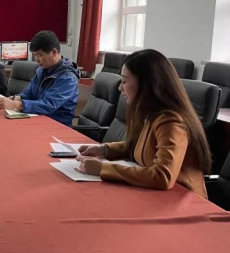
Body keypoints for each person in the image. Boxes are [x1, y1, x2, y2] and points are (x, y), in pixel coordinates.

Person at [76, 49, 211, 198]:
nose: (120, 88)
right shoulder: (150, 113)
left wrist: (103, 168)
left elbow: (163, 176)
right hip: (155, 196)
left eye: (124, 81)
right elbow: (138, 147)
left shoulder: (171, 122)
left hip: (183, 200)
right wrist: (103, 150)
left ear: (147, 84)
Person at [0, 31, 79, 125]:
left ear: (54, 52)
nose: (37, 59)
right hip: (38, 118)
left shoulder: (67, 78)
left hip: (56, 124)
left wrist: (16, 105)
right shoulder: (41, 70)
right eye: (35, 55)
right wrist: (16, 98)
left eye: (40, 55)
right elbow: (30, 92)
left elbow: (48, 104)